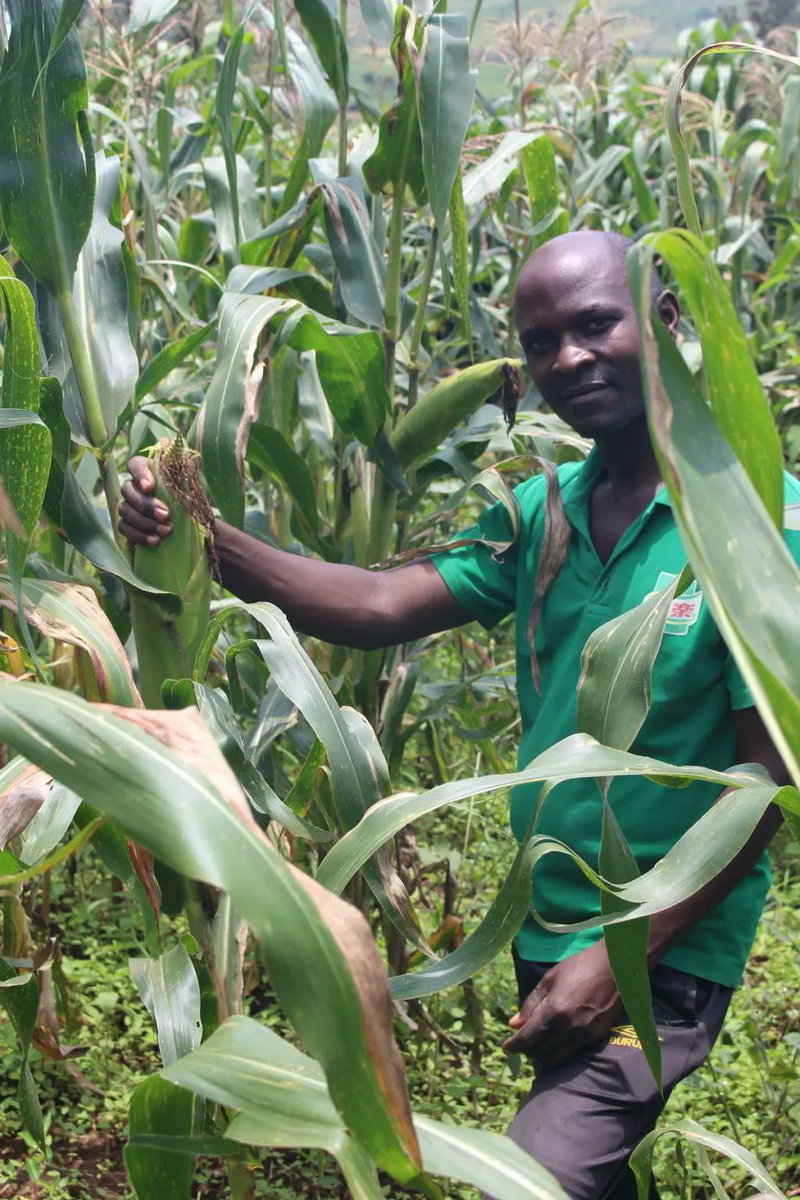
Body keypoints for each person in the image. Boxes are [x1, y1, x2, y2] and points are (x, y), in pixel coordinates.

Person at [119, 231, 797, 1200]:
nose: (565, 358)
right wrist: (204, 533)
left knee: (528, 1178)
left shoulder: (754, 523)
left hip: (665, 943)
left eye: (594, 324)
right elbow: (377, 605)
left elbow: (764, 779)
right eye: (538, 341)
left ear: (665, 319)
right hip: (546, 924)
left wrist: (623, 955)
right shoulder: (543, 513)